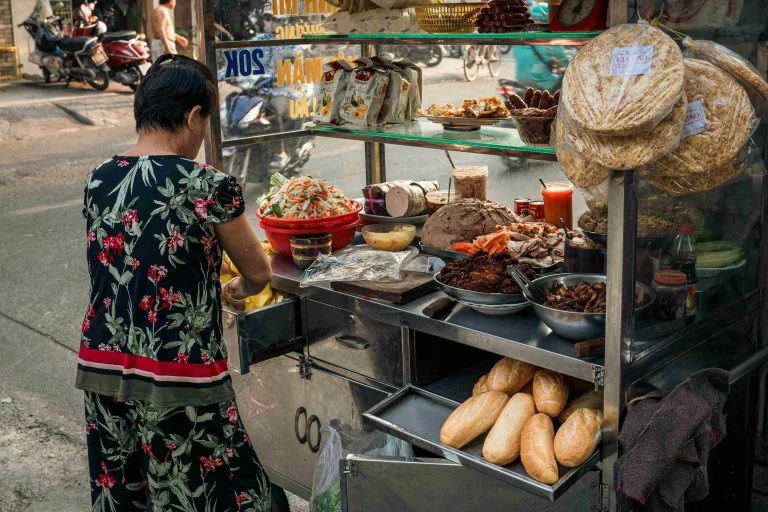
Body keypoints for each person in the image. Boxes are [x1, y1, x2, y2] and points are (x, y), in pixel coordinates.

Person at [77, 54, 272, 511]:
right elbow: (258, 272)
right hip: (178, 370)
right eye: (205, 123)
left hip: (104, 363)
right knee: (215, 492)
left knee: (124, 489)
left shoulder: (98, 179)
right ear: (192, 116)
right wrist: (235, 292)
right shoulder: (208, 185)